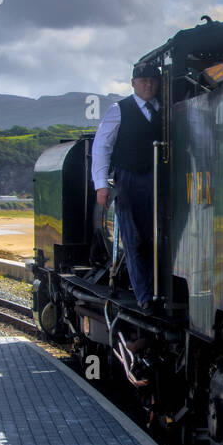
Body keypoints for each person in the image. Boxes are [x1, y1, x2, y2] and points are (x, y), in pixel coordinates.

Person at [91, 61, 162, 311]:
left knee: (159, 238)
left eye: (152, 80)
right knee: (134, 240)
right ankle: (144, 296)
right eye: (143, 80)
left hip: (159, 178)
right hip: (128, 179)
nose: (148, 84)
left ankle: (158, 292)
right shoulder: (118, 110)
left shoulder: (164, 109)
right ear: (133, 83)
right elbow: (102, 147)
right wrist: (101, 185)